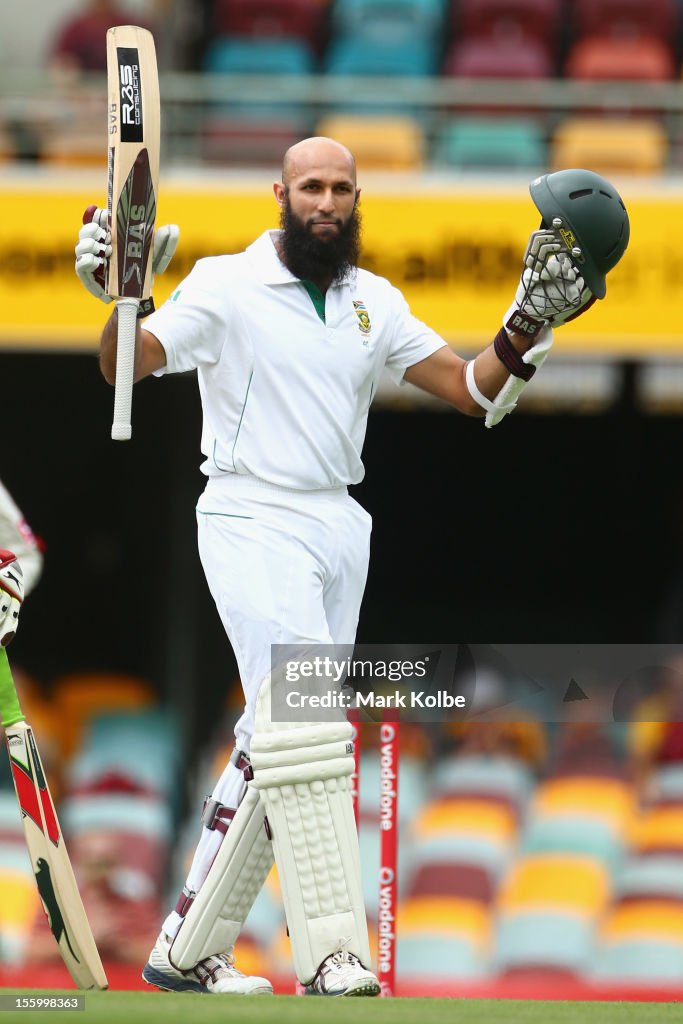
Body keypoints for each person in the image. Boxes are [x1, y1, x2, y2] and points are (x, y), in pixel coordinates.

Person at [74, 139, 629, 996]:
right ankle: (334, 950)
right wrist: (116, 299)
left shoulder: (375, 300)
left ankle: (183, 952)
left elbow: (473, 392)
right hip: (249, 509)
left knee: (278, 739)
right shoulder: (225, 284)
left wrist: (526, 322)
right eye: (309, 188)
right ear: (280, 194)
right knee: (306, 728)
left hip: (338, 526)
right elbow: (126, 364)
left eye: (339, 188)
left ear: (356, 197)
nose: (325, 202)